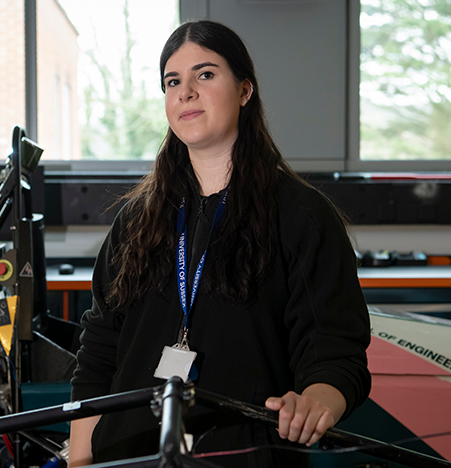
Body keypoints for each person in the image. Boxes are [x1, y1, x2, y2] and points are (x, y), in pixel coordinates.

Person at [68, 19, 371, 467]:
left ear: (245, 90)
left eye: (204, 75)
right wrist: (79, 458)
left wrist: (316, 401)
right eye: (173, 81)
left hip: (242, 454)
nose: (185, 92)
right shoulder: (136, 220)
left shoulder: (301, 216)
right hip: (128, 455)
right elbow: (99, 350)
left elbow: (336, 352)